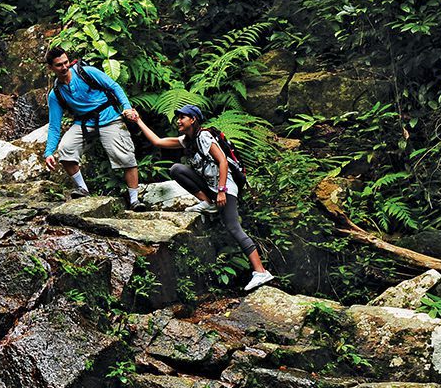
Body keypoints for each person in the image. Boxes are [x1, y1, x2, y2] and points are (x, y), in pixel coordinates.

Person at [134, 104, 274, 291]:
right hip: (211, 188)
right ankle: (208, 203)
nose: (178, 121)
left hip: (226, 187)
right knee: (177, 169)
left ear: (193, 120)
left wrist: (222, 190)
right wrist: (138, 121)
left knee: (233, 226)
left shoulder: (204, 136)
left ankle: (261, 271)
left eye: (182, 117)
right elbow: (158, 142)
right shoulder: (188, 140)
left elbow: (223, 161)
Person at [41, 46, 147, 211]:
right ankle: (83, 190)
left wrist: (126, 107)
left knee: (126, 157)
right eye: (59, 65)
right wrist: (48, 152)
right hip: (84, 123)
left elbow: (114, 87)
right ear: (50, 68)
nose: (64, 67)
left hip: (109, 117)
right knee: (65, 149)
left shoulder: (86, 72)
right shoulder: (55, 94)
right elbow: (54, 126)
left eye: (66, 62)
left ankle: (134, 200)